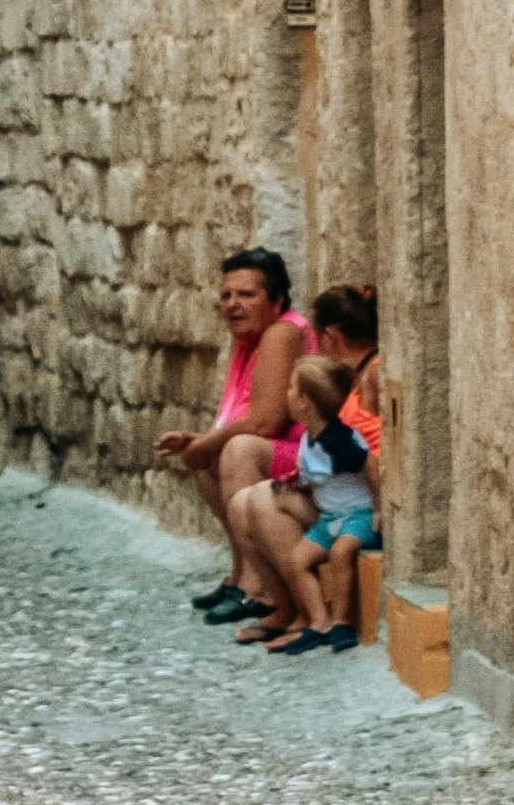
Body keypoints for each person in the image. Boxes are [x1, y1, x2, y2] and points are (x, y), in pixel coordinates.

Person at [158, 249, 315, 623]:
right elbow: (244, 419)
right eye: (226, 295)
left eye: (246, 295)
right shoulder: (249, 341)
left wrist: (205, 443)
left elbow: (265, 425)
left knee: (238, 449)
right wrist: (197, 441)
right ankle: (242, 571)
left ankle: (258, 587)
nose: (233, 304)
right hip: (283, 452)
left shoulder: (281, 333)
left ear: (276, 301)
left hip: (312, 461)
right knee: (213, 452)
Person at [234, 288, 386, 655]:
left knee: (257, 500)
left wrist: (380, 504)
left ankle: (315, 619)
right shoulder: (343, 384)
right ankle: (288, 609)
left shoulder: (371, 376)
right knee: (245, 502)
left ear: (330, 336)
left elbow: (371, 455)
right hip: (331, 495)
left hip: (355, 505)